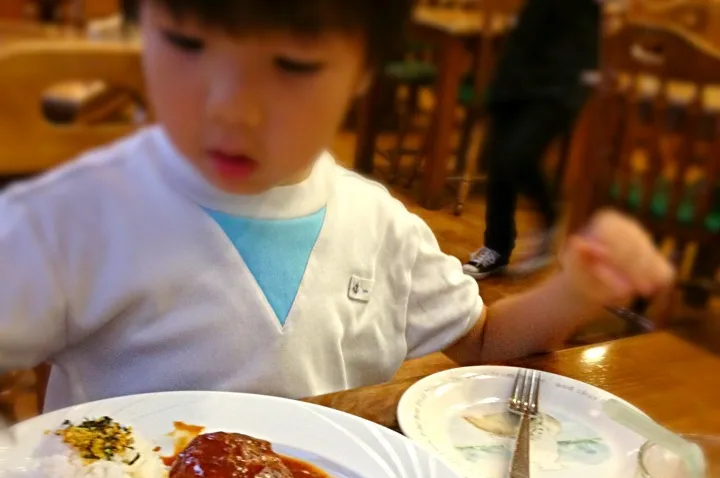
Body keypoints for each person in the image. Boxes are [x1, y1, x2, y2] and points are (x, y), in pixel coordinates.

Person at [0, 0, 671, 412]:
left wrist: (578, 288)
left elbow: (487, 340)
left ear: (366, 73)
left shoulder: (377, 224)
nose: (231, 107)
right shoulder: (78, 216)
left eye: (292, 66)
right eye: (186, 45)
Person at [463, 0, 602, 279]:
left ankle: (550, 216)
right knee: (497, 160)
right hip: (518, 70)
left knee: (518, 155)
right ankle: (496, 247)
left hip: (561, 81)